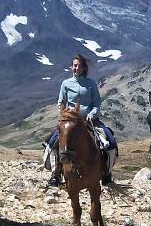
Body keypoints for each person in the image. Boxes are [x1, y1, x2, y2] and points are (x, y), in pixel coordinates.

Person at [44, 54, 118, 187]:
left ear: (84, 68)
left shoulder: (91, 84)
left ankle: (106, 173)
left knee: (110, 142)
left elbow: (96, 103)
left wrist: (92, 114)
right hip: (70, 120)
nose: (75, 68)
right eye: (74, 65)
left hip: (89, 120)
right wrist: (65, 114)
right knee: (53, 143)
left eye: (78, 65)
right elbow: (61, 102)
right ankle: (55, 174)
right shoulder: (65, 84)